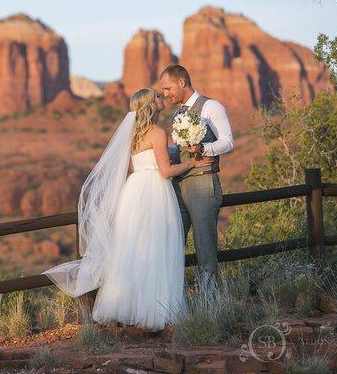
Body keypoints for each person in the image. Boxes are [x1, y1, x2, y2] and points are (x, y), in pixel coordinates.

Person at [43, 88, 214, 331]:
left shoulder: (132, 133)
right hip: (155, 191)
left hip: (133, 192)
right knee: (156, 248)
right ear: (149, 105)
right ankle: (154, 310)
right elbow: (165, 171)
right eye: (157, 96)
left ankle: (123, 306)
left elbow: (136, 167)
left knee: (131, 250)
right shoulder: (157, 132)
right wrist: (192, 163)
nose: (160, 98)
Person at [159, 64, 234, 299]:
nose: (165, 94)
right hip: (178, 187)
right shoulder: (177, 114)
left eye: (167, 88)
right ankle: (172, 300)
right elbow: (179, 152)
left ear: (182, 82)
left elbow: (228, 141)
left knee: (205, 249)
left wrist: (204, 148)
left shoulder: (211, 107)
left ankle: (208, 305)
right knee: (171, 243)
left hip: (202, 184)